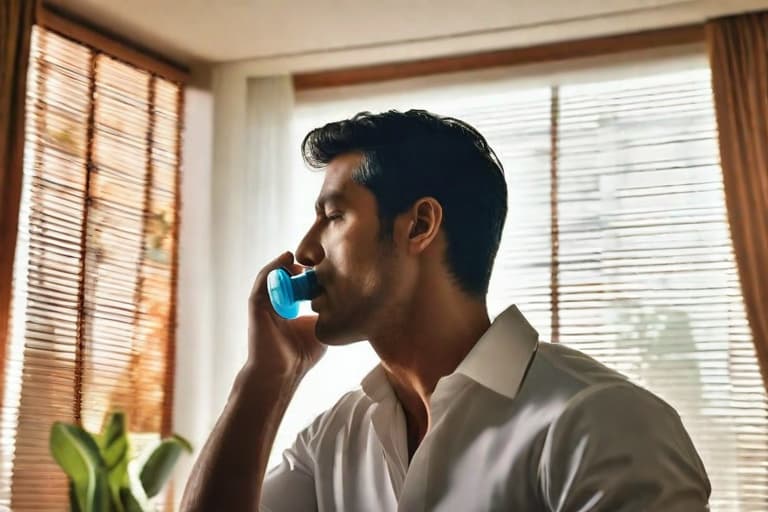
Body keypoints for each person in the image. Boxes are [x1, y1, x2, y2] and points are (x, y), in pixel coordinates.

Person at [180, 110, 711, 511]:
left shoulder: (600, 423)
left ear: (418, 226)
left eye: (333, 216)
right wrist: (265, 376)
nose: (306, 250)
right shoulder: (335, 439)